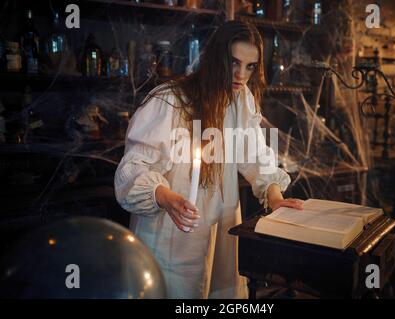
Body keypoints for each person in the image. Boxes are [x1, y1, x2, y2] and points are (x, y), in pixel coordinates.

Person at [114, 20, 303, 299]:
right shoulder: (170, 100)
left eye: (250, 66)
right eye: (234, 62)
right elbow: (132, 170)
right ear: (216, 58)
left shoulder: (242, 101)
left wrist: (274, 196)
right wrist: (166, 197)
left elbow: (255, 155)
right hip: (172, 230)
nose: (241, 75)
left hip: (219, 225)